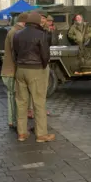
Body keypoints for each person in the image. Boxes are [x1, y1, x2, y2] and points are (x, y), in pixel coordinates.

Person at [12, 12, 55, 142]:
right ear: (37, 22)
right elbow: (45, 55)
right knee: (39, 102)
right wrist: (42, 66)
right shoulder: (41, 34)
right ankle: (41, 134)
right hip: (36, 69)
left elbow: (15, 53)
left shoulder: (17, 34)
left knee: (21, 102)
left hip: (20, 69)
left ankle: (22, 133)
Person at [1, 12, 28, 130]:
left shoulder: (13, 31)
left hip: (9, 70)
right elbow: (15, 52)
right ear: (25, 22)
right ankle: (14, 121)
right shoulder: (16, 32)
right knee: (14, 96)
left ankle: (13, 121)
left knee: (12, 96)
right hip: (12, 70)